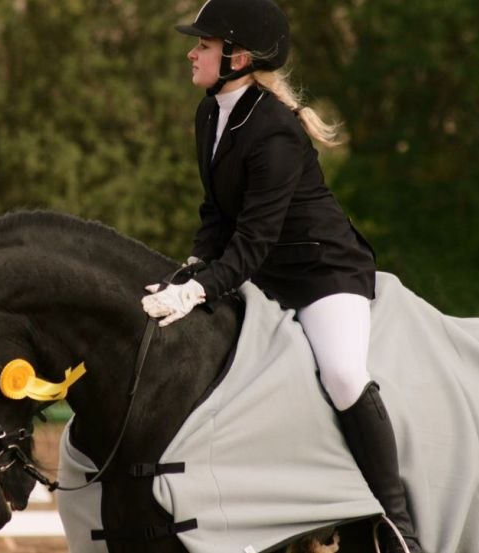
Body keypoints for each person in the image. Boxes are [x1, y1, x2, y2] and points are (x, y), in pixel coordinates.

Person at [140, 1, 424, 552]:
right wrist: (189, 269)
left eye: (203, 45)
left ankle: (397, 525)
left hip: (321, 271)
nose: (192, 52)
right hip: (264, 270)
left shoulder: (274, 131)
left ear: (238, 58)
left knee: (342, 374)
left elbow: (253, 240)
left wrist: (198, 289)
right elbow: (216, 217)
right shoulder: (209, 113)